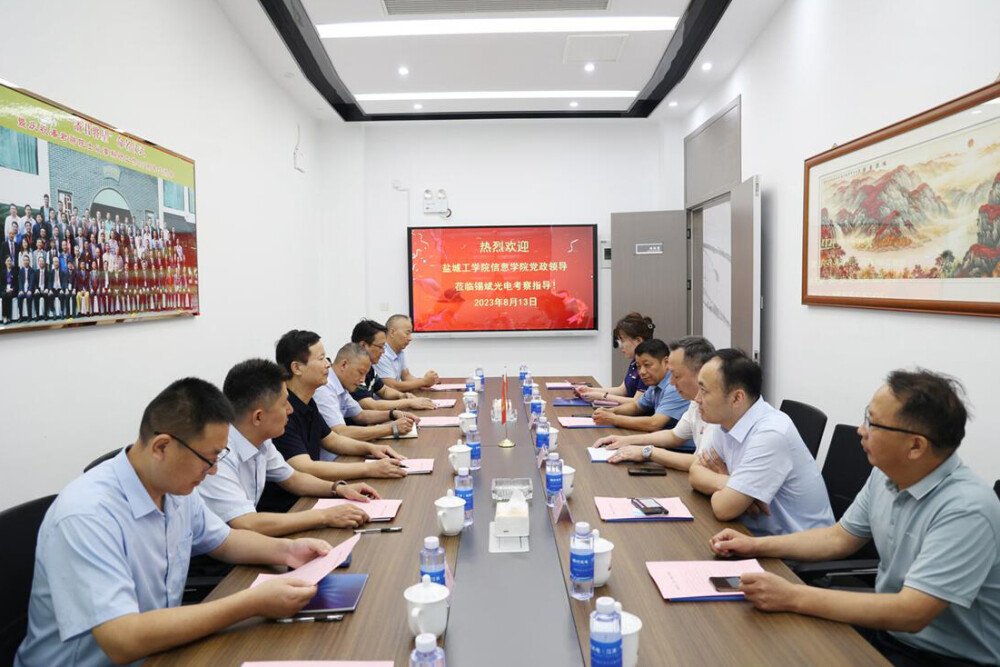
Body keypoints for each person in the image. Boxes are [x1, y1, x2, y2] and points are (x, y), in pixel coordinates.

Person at [15, 378, 332, 666]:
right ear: (161, 447)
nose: (213, 471)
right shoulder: (87, 516)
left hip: (161, 652)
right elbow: (122, 640)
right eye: (208, 458)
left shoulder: (175, 488)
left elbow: (225, 540)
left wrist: (288, 550)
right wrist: (251, 603)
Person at [709, 369, 999, 667]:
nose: (861, 430)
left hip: (946, 657)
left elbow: (912, 612)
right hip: (888, 634)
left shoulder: (967, 509)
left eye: (873, 423)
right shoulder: (886, 476)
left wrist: (792, 596)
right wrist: (754, 546)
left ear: (916, 446)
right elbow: (838, 538)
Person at [198, 358, 378, 535]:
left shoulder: (261, 439)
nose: (290, 410)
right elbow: (247, 524)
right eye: (284, 403)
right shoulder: (217, 455)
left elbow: (293, 479)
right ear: (258, 417)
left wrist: (338, 488)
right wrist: (325, 516)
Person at [260, 330, 407, 514]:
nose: (328, 365)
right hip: (291, 507)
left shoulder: (308, 401)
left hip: (311, 494)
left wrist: (371, 449)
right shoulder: (282, 412)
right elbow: (305, 467)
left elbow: (331, 439)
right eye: (321, 358)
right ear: (297, 368)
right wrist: (369, 468)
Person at [689, 349, 833, 535]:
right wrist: (729, 482)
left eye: (704, 391)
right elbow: (695, 471)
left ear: (737, 398)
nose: (697, 399)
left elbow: (723, 508)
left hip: (796, 546)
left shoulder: (771, 433)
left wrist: (732, 491)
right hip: (751, 533)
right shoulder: (724, 420)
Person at [595, 336, 716, 470]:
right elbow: (673, 436)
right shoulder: (695, 403)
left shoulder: (718, 411)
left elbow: (701, 464)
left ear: (701, 373)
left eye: (676, 375)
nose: (671, 382)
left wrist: (647, 452)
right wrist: (625, 440)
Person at [315, 342, 419, 445]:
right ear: (344, 365)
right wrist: (391, 428)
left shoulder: (341, 384)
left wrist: (392, 414)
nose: (363, 380)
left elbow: (360, 415)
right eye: (360, 373)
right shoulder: (324, 388)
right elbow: (340, 432)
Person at [591, 339, 689, 432]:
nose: (642, 372)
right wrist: (611, 411)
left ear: (666, 362)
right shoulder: (655, 383)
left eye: (647, 365)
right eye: (638, 366)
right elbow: (637, 406)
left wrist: (613, 419)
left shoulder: (674, 387)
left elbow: (654, 423)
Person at [349, 318, 437, 411]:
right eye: (380, 347)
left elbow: (384, 390)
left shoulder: (369, 368)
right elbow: (371, 405)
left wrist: (402, 395)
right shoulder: (353, 370)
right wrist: (409, 402)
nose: (383, 351)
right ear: (363, 345)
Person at [578, 312, 655, 405]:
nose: (620, 345)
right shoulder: (635, 362)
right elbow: (622, 390)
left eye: (623, 340)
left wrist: (601, 396)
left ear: (638, 340)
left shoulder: (647, 366)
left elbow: (637, 402)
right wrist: (590, 390)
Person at [375, 314, 439, 392]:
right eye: (407, 333)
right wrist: (424, 381)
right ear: (392, 332)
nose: (410, 338)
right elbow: (392, 386)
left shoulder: (399, 351)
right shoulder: (381, 353)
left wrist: (427, 382)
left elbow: (406, 376)